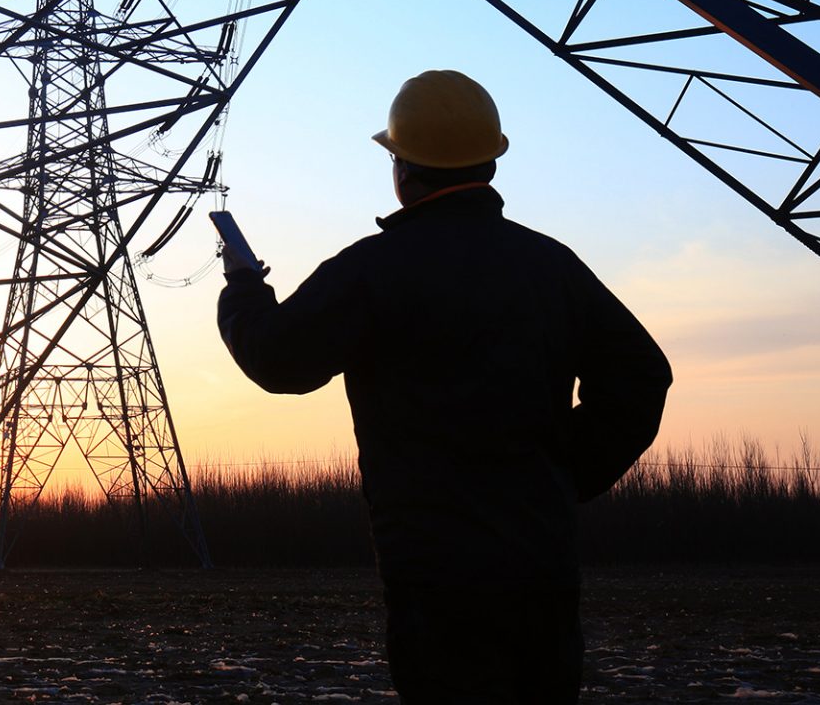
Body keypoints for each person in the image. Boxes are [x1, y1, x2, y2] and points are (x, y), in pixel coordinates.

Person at [216, 69, 672, 704]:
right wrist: (561, 476)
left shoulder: (372, 270)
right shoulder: (551, 266)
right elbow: (641, 376)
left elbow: (277, 359)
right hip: (540, 564)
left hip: (433, 571)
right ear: (490, 162)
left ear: (403, 169)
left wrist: (243, 289)